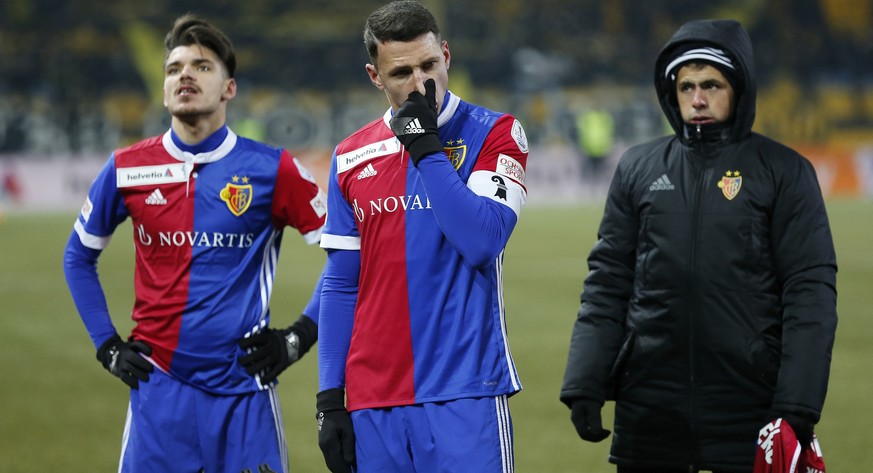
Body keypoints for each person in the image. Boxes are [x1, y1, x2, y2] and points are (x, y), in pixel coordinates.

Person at [560, 19, 837, 473]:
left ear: (739, 88)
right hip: (651, 407)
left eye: (712, 84)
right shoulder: (638, 168)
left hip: (748, 408)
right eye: (686, 86)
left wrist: (798, 404)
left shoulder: (785, 171)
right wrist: (585, 380)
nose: (698, 99)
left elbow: (810, 293)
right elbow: (608, 281)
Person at [62, 14, 327, 473]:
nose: (184, 74)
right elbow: (78, 256)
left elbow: (350, 253)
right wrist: (106, 344)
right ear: (164, 90)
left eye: (202, 66)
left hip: (246, 391)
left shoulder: (274, 169)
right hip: (158, 393)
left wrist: (298, 338)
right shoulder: (127, 168)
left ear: (229, 89)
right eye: (173, 68)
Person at [315, 2, 529, 472]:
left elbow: (481, 240)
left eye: (430, 65)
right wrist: (331, 398)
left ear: (446, 55)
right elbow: (341, 283)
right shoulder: (350, 157)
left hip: (465, 389)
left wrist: (425, 146)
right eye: (402, 72)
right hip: (373, 399)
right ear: (375, 76)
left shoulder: (495, 133)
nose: (419, 84)